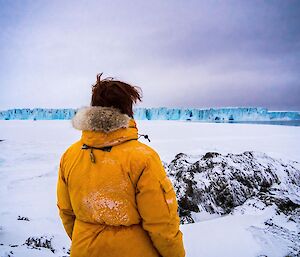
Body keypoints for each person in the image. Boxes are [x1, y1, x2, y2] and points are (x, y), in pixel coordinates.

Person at [57, 73, 185, 257]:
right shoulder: (143, 158)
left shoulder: (70, 155)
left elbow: (66, 212)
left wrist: (85, 240)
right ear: (127, 110)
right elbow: (161, 224)